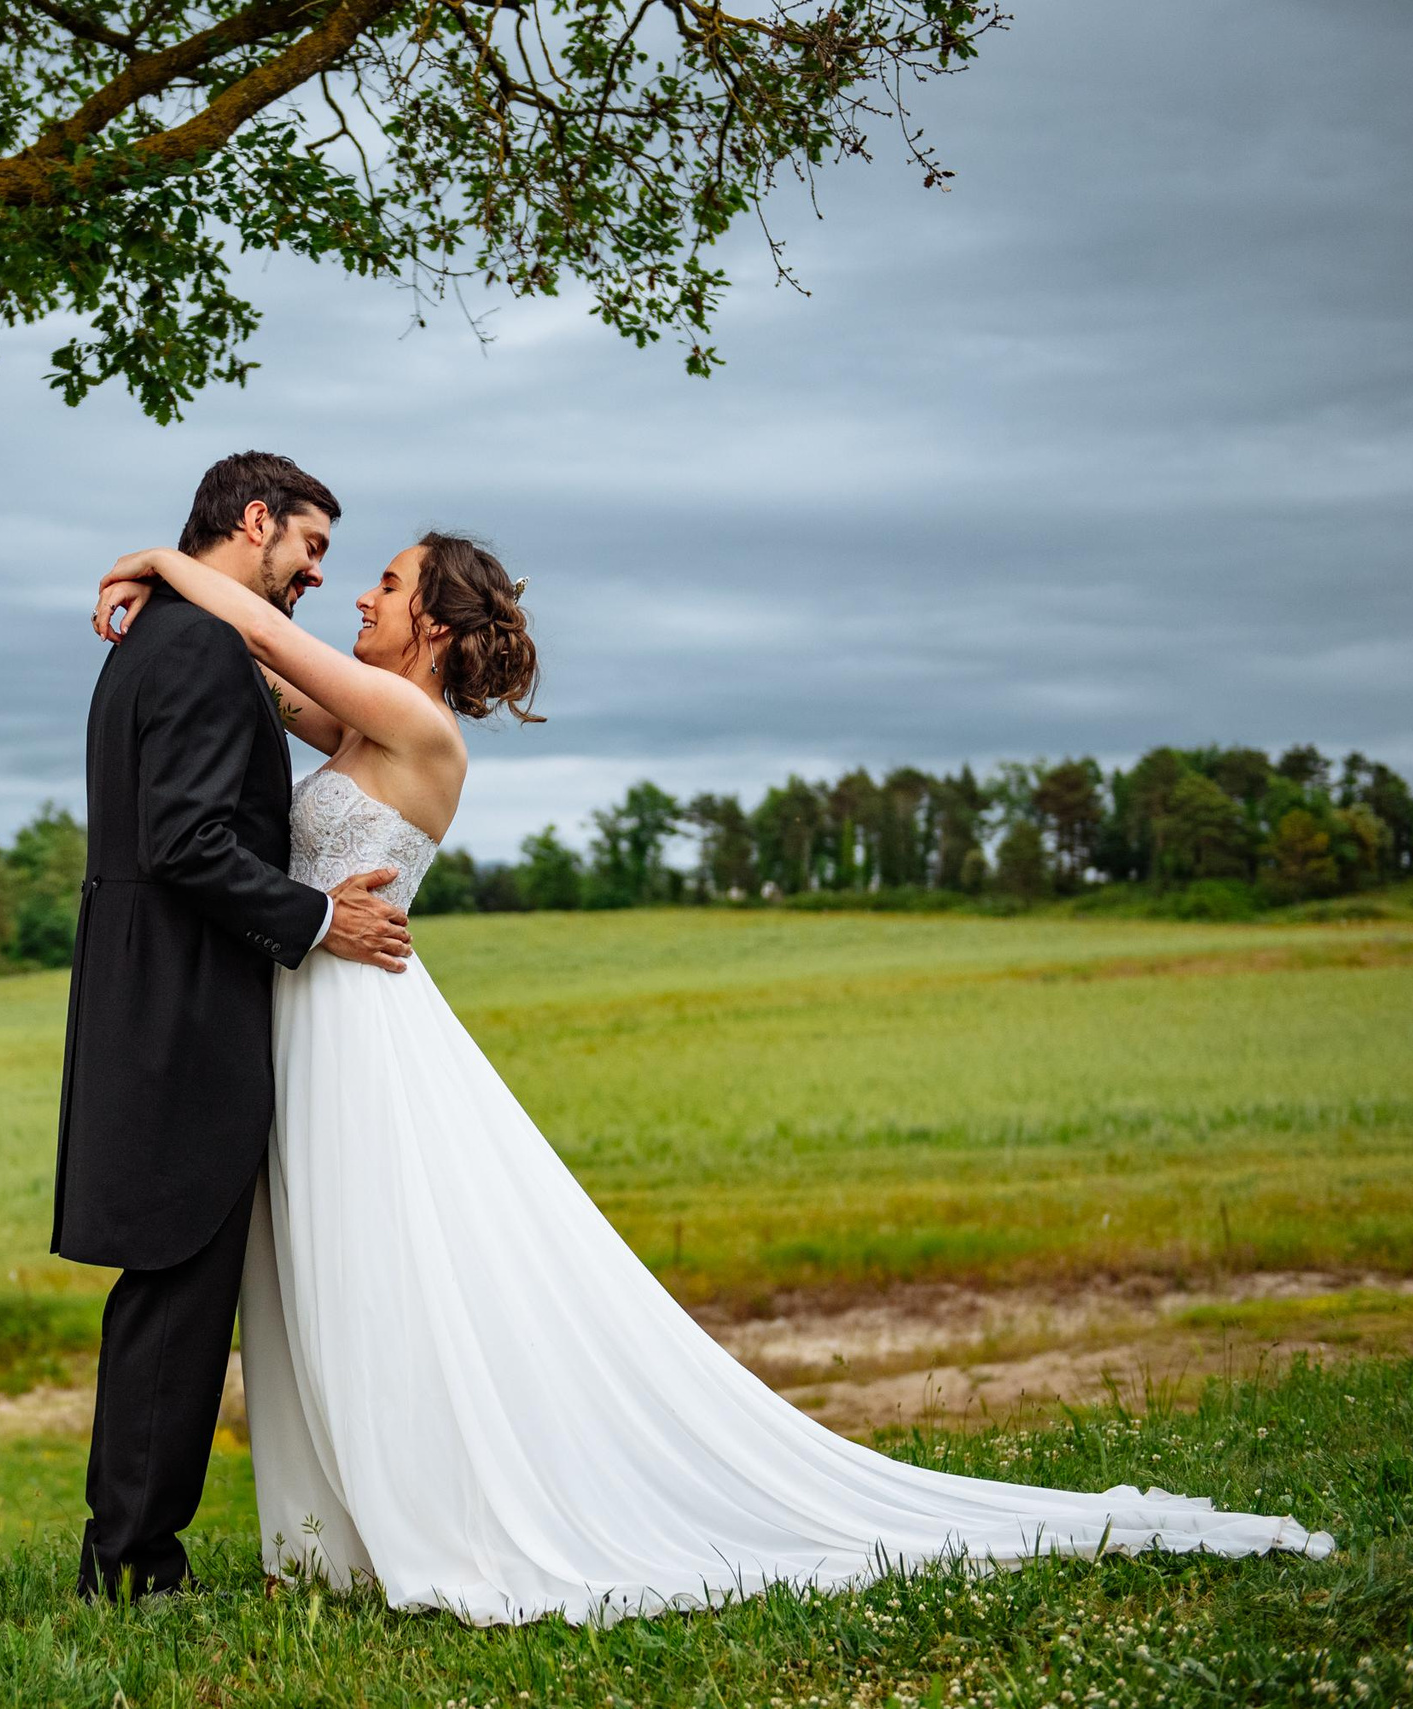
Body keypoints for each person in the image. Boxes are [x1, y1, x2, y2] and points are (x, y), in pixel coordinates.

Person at [90, 532, 1334, 1627]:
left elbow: (258, 629)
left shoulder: (416, 726)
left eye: (387, 580)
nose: (359, 592)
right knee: (316, 1276)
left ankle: (418, 1519)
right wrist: (170, 619)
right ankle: (331, 1532)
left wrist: (160, 559)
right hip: (311, 1011)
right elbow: (249, 674)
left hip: (358, 1025)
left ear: (437, 624)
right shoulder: (362, 718)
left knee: (383, 1270)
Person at [53, 451, 415, 1601]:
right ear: (255, 520)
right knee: (176, 1288)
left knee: (169, 1284)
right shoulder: (203, 646)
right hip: (183, 1010)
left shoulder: (166, 634)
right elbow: (191, 844)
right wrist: (318, 918)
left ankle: (127, 1552)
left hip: (143, 991)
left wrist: (155, 563)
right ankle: (131, 1565)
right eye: (309, 546)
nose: (319, 573)